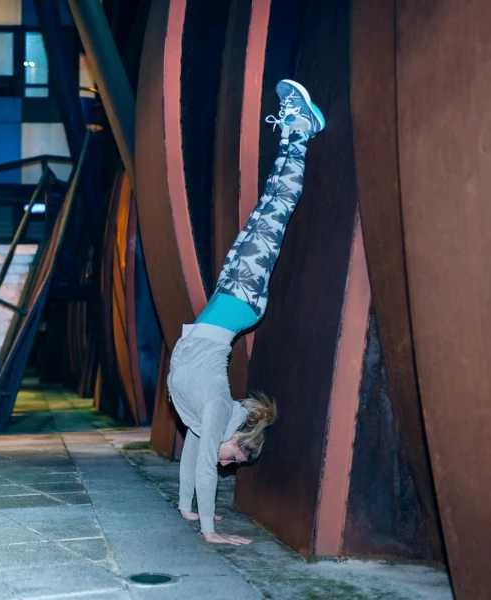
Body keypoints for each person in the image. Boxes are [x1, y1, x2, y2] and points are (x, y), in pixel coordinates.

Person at [167, 80, 326, 546]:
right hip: (240, 299)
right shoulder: (219, 408)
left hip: (230, 296)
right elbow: (204, 466)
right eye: (234, 458)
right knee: (275, 210)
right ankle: (301, 130)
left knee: (265, 212)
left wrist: (186, 509)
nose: (225, 463)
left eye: (230, 464)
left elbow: (193, 458)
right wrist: (214, 532)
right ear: (239, 438)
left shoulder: (205, 421)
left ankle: (295, 132)